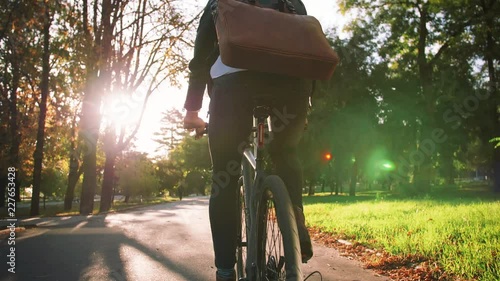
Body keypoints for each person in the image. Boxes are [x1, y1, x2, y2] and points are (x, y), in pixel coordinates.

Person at [183, 1, 313, 280]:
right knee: (286, 151)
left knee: (224, 174)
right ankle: (297, 223)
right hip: (293, 89)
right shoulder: (293, 2)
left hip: (234, 88)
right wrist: (304, 105)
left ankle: (226, 272)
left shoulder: (218, 2)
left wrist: (192, 111)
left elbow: (201, 58)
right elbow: (307, 48)